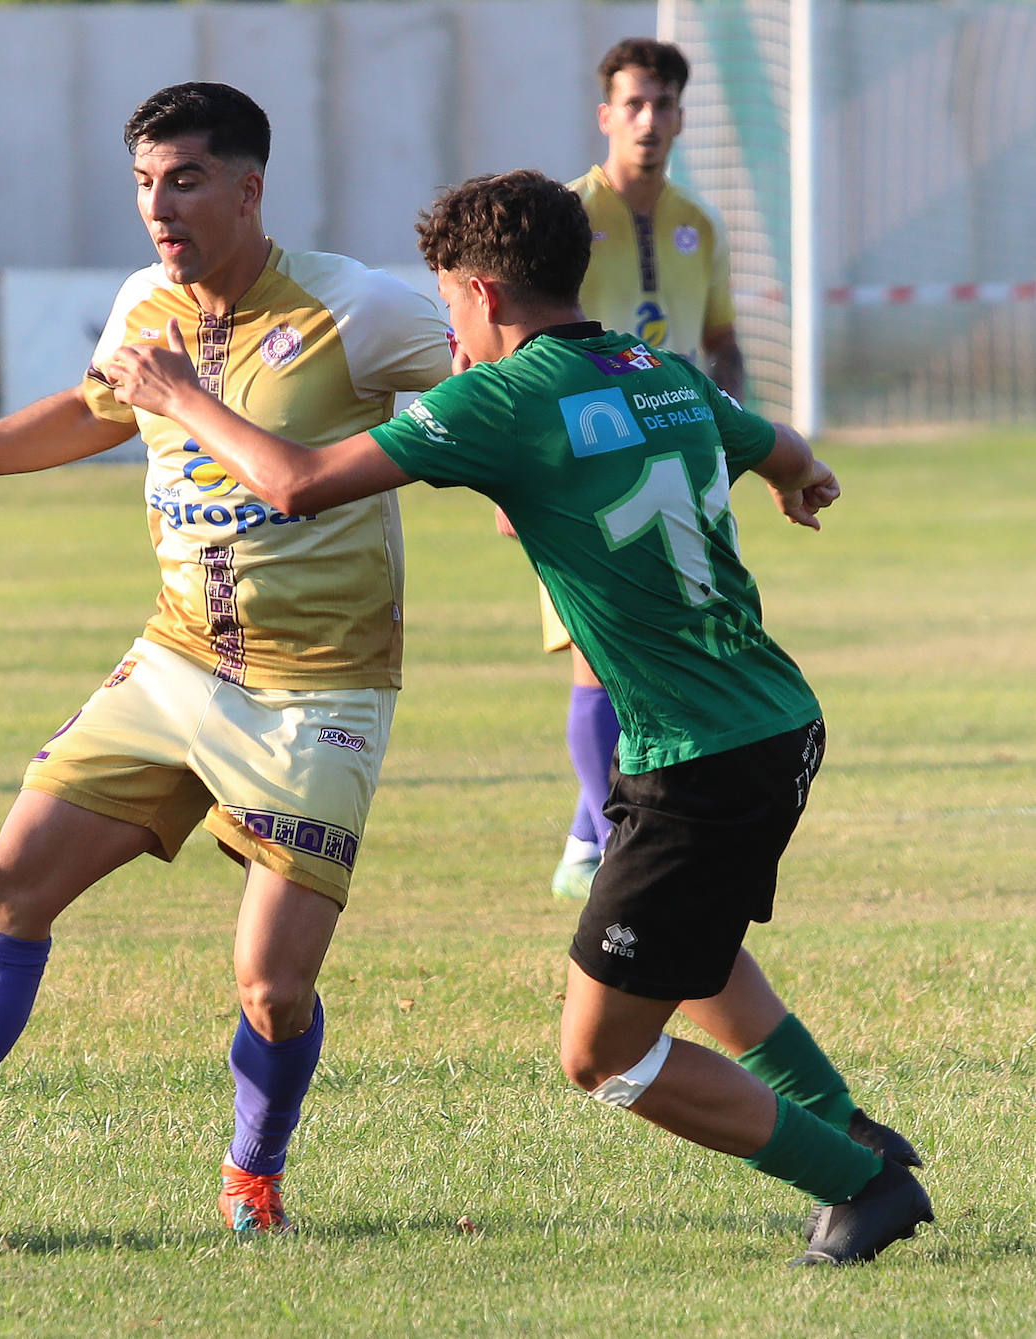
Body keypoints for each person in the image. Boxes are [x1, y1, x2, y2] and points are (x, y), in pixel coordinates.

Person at [102, 169, 934, 1266]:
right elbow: (770, 436)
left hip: (700, 759)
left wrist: (179, 397)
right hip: (770, 719)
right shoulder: (661, 372)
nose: (445, 329)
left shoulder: (503, 397)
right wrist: (801, 475)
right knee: (689, 953)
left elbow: (297, 482)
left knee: (604, 1056)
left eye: (447, 302)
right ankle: (852, 1126)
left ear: (486, 293)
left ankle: (860, 1182)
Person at [0, 82, 451, 1240]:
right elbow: (91, 411)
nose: (158, 207)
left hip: (318, 685)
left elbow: (493, 374)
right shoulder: (143, 301)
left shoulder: (351, 307)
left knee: (272, 985)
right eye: (144, 184)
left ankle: (254, 1171)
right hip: (175, 659)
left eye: (185, 179)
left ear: (249, 187)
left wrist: (540, 474)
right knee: (9, 879)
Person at [535, 37, 747, 902]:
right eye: (634, 105)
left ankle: (589, 835)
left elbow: (724, 345)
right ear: (605, 116)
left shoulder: (699, 221)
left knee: (660, 654)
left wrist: (732, 432)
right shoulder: (564, 218)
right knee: (596, 656)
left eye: (663, 105)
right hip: (583, 465)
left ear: (681, 117)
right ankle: (613, 837)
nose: (650, 121)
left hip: (676, 464)